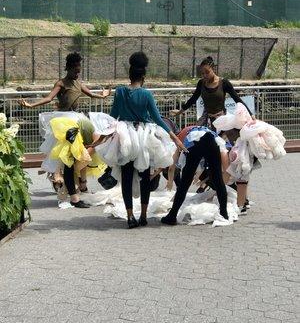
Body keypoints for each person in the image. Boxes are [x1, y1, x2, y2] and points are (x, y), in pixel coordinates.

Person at [90, 52, 186, 229]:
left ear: (129, 75)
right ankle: (143, 215)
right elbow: (157, 119)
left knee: (126, 176)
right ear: (144, 76)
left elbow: (112, 118)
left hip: (125, 136)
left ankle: (129, 216)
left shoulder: (119, 92)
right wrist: (175, 138)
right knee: (145, 176)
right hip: (143, 136)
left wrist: (100, 140)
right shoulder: (147, 95)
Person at [170, 56, 255, 213]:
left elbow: (237, 99)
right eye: (202, 73)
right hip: (206, 122)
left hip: (222, 122)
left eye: (206, 72)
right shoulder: (202, 84)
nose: (204, 76)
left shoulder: (224, 83)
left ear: (213, 68)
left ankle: (241, 197)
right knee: (200, 156)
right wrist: (181, 110)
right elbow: (193, 98)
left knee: (227, 159)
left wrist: (251, 116)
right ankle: (208, 185)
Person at [19, 52, 111, 193]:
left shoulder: (78, 83)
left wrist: (102, 96)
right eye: (75, 71)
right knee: (64, 149)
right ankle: (60, 175)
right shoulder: (61, 83)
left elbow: (91, 94)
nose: (77, 74)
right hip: (64, 119)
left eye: (79, 72)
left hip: (77, 117)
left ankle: (79, 172)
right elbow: (49, 98)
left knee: (96, 138)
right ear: (68, 68)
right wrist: (31, 105)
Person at [161, 126, 230, 226]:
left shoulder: (180, 138)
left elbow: (172, 166)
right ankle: (224, 214)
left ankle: (172, 215)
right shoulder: (201, 130)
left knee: (185, 181)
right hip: (212, 141)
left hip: (195, 142)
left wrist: (170, 181)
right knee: (218, 179)